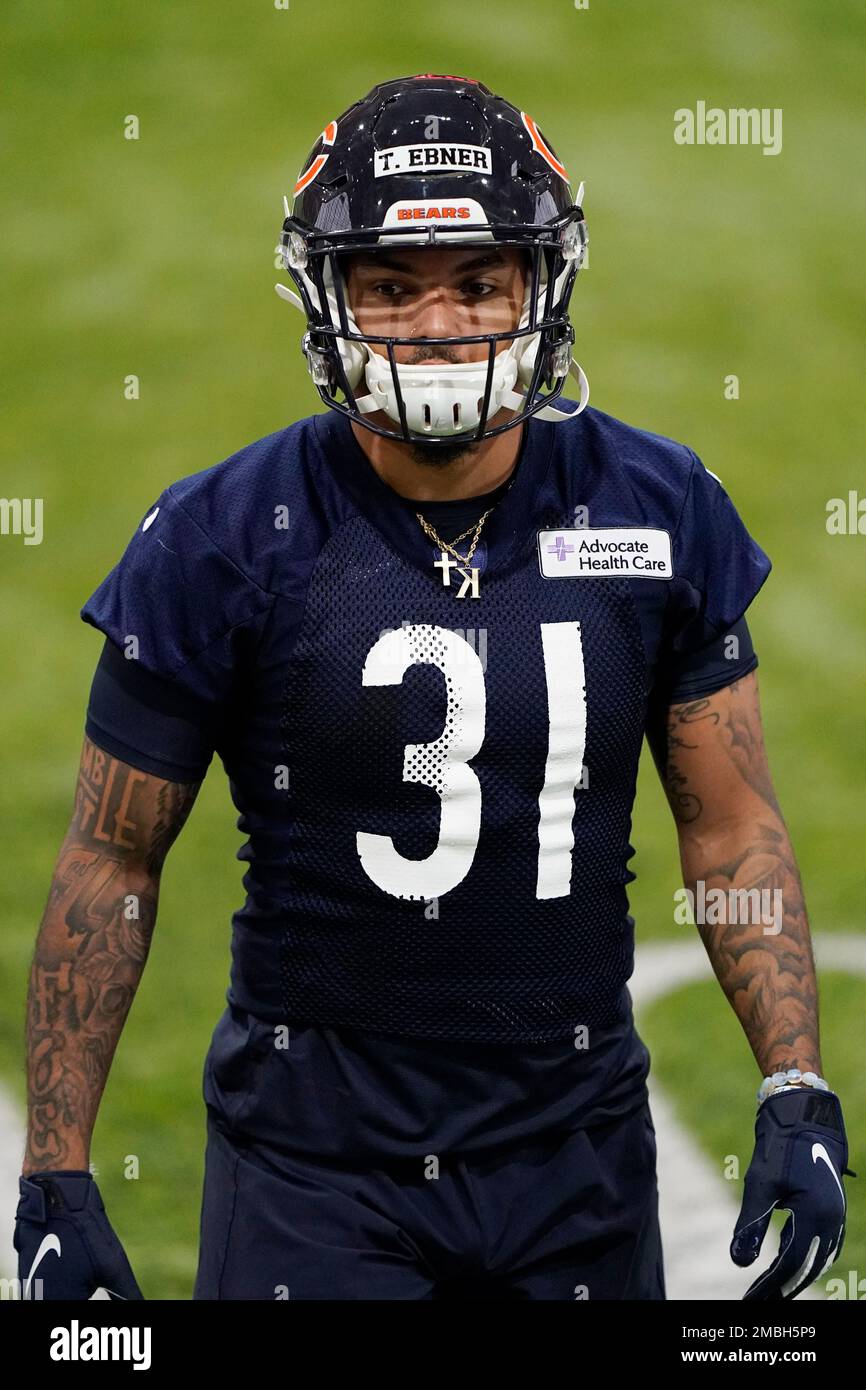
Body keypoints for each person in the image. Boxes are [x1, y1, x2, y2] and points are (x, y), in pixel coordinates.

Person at [15, 73, 852, 1302]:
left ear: (541, 286)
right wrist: (56, 1171)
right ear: (324, 298)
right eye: (390, 288)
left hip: (574, 1155)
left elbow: (728, 829)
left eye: (479, 280)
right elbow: (110, 860)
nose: (439, 323)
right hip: (316, 1170)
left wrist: (789, 1078)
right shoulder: (221, 536)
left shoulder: (656, 506)